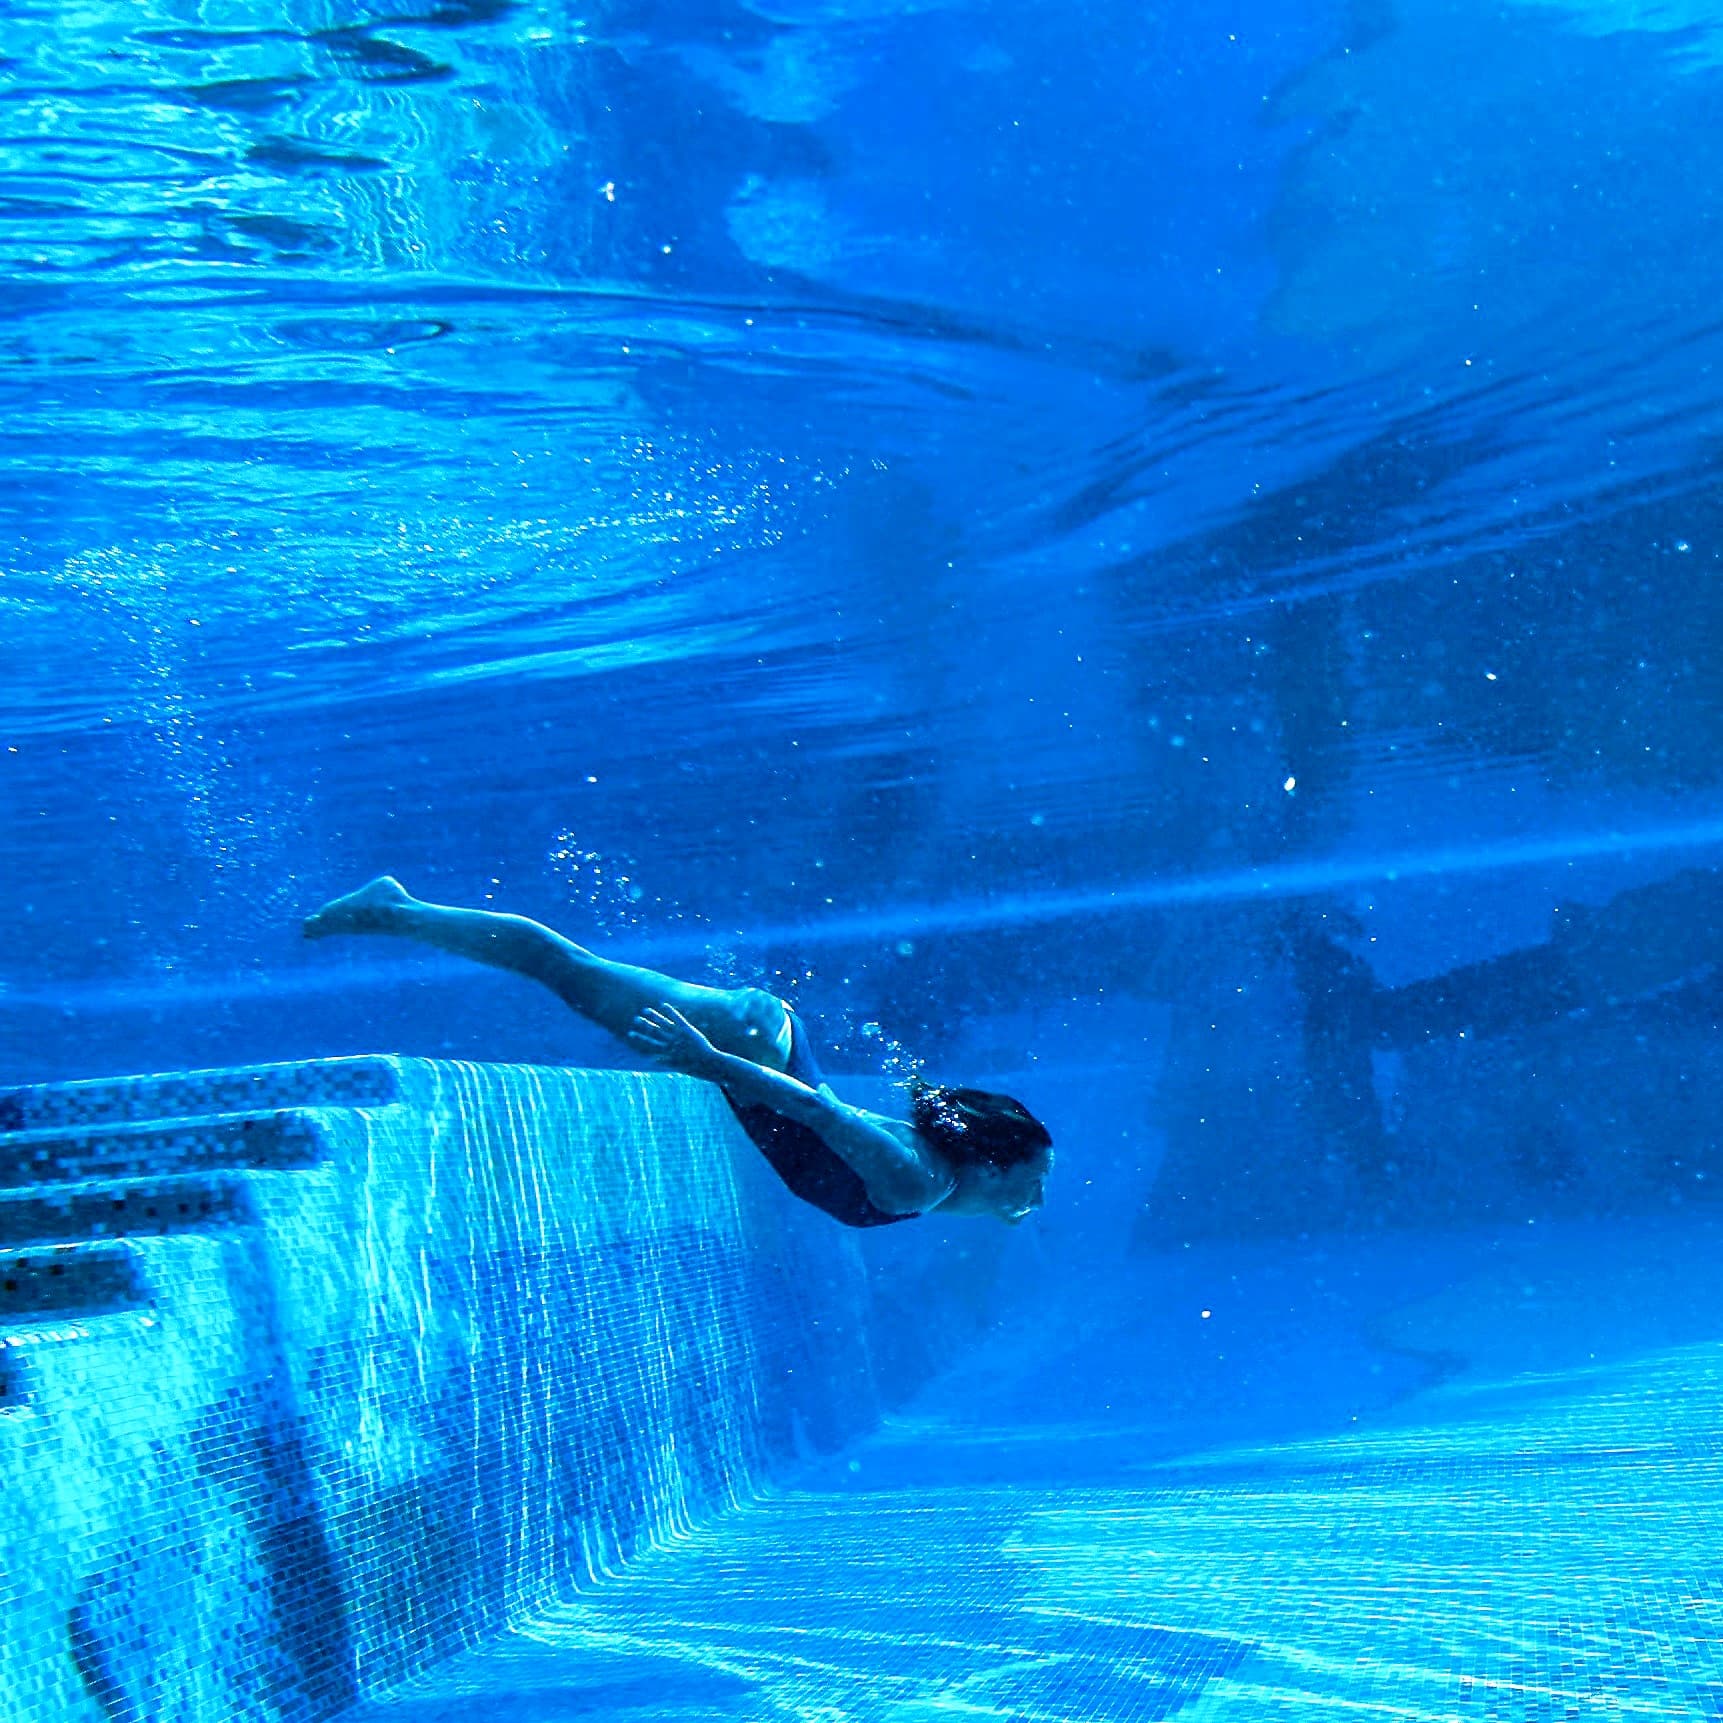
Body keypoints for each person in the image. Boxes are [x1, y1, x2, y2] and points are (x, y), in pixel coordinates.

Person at [303, 877, 1052, 1229]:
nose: (1037, 1199)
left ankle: (398, 910)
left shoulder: (933, 1175)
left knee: (571, 974)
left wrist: (1004, 1202)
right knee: (567, 970)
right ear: (990, 1165)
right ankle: (393, 909)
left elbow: (825, 1118)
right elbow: (818, 1112)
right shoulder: (917, 1182)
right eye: (1034, 1180)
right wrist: (707, 1059)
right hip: (750, 1044)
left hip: (767, 1045)